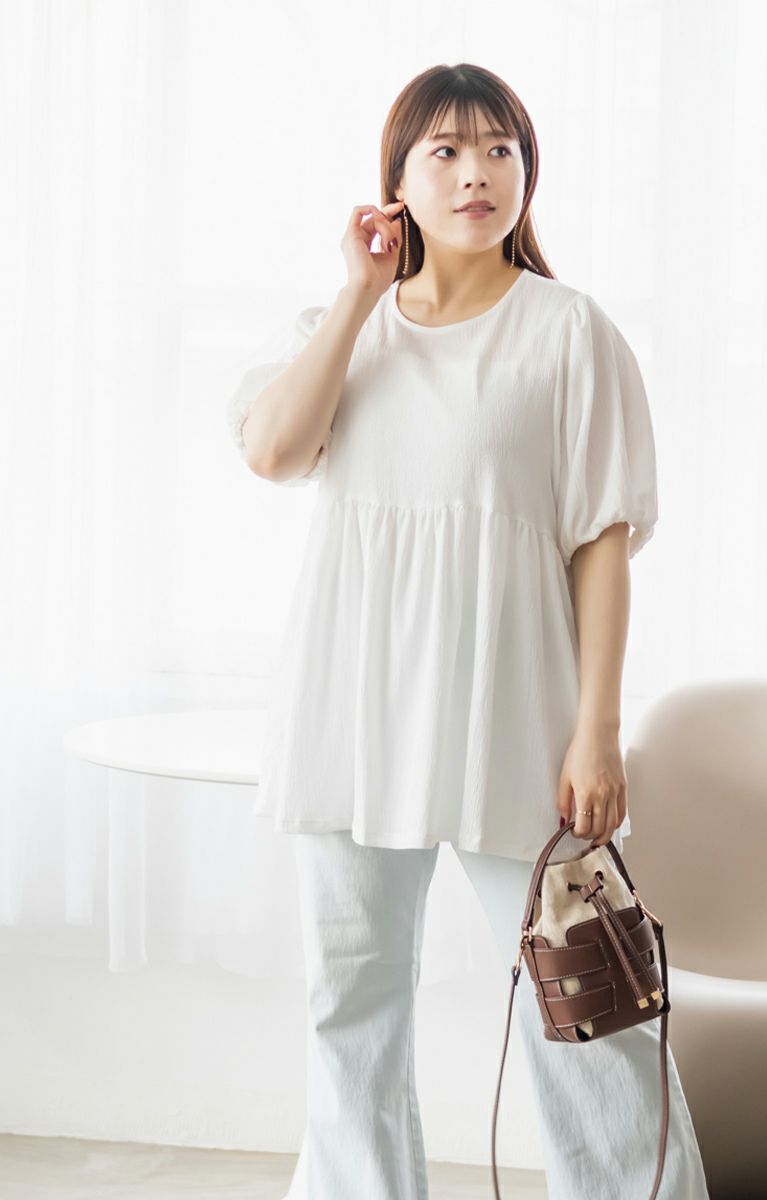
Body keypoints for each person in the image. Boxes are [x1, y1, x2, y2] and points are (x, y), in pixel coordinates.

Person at [227, 61, 710, 1200]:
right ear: (395, 180)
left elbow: (601, 542)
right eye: (443, 151)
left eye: (499, 149)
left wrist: (597, 731)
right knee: (349, 1000)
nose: (476, 173)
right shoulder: (341, 330)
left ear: (526, 174)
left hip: (517, 716)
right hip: (351, 713)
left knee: (587, 1002)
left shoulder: (568, 332)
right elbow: (274, 452)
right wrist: (359, 293)